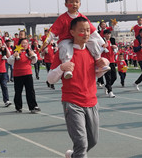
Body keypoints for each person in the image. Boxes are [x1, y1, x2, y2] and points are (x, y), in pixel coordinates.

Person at [46, 17, 105, 158]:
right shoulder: (64, 53)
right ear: (72, 32)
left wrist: (102, 66)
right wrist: (61, 67)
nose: (85, 34)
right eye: (81, 30)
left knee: (93, 141)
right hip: (72, 102)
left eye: (87, 30)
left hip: (92, 102)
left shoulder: (92, 52)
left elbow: (96, 75)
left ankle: (73, 155)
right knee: (81, 144)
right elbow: (50, 79)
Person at [41, 0, 109, 79]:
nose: (74, 4)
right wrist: (46, 42)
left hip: (81, 40)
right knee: (65, 47)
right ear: (66, 4)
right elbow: (53, 32)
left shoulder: (83, 17)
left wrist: (101, 42)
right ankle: (67, 69)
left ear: (80, 4)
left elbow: (92, 31)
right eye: (71, 2)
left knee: (92, 41)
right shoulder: (62, 18)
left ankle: (97, 62)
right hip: (66, 40)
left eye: (77, 2)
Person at [7, 37, 41, 113]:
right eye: (23, 43)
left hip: (28, 73)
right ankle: (18, 107)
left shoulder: (29, 51)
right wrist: (14, 56)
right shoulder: (16, 51)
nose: (24, 45)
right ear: (19, 44)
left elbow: (34, 62)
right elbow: (9, 61)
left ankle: (33, 107)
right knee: (18, 91)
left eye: (26, 43)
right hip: (18, 74)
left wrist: (33, 55)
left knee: (30, 91)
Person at [100, 29, 118, 98]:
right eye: (107, 34)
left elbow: (116, 51)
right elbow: (98, 50)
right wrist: (104, 47)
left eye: (109, 34)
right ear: (104, 35)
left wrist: (115, 47)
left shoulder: (112, 41)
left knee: (114, 77)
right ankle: (110, 91)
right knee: (108, 77)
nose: (108, 35)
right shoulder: (101, 41)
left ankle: (107, 86)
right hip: (105, 62)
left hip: (112, 61)